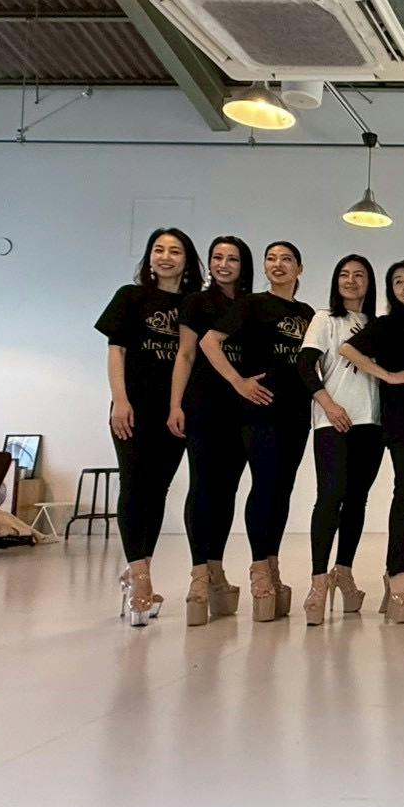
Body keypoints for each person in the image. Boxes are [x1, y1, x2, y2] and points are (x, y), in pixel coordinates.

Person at [200, 241, 314, 623]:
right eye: (271, 259)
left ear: (299, 268)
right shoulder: (251, 304)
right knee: (264, 486)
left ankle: (273, 563)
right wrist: (238, 381)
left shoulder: (307, 313)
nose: (277, 265)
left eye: (286, 259)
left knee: (282, 489)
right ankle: (259, 569)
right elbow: (209, 341)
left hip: (298, 412)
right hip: (261, 408)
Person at [95, 227, 203, 626]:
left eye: (175, 251)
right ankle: (140, 580)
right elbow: (116, 352)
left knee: (157, 490)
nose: (166, 257)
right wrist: (120, 401)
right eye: (159, 249)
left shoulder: (194, 304)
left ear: (187, 261)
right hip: (134, 407)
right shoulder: (130, 296)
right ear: (149, 257)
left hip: (175, 411)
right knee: (133, 485)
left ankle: (141, 568)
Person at [341, 261, 404, 624]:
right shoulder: (386, 324)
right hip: (401, 419)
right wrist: (389, 376)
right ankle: (398, 573)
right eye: (397, 282)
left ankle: (397, 569)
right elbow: (348, 350)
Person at [169, 234, 253, 626]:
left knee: (227, 490)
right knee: (203, 486)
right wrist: (175, 404)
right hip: (204, 404)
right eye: (217, 257)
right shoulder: (197, 302)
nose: (223, 264)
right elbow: (186, 353)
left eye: (232, 259)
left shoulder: (251, 304)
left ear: (243, 264)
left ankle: (216, 566)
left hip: (244, 408)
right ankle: (199, 574)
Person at [297, 254, 381, 626]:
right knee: (330, 497)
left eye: (359, 275)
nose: (351, 280)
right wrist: (328, 405)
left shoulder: (376, 324)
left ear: (369, 282)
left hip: (372, 423)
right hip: (333, 421)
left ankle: (343, 572)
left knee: (357, 499)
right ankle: (318, 582)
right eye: (344, 274)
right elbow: (305, 365)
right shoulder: (325, 319)